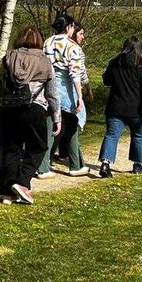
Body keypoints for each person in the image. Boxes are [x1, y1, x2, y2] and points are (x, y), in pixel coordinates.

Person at [0, 26, 60, 205]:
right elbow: (52, 94)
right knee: (38, 147)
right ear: (39, 41)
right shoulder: (45, 62)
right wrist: (56, 118)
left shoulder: (7, 58)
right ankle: (22, 182)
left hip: (8, 108)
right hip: (34, 109)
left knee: (9, 149)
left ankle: (6, 192)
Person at [98, 37, 142, 177]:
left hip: (116, 106)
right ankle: (138, 164)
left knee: (112, 134)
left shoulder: (115, 62)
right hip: (136, 108)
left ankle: (105, 163)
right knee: (138, 136)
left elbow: (106, 80)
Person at [38, 15, 74, 176]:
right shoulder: (70, 45)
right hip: (64, 87)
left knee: (49, 126)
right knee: (63, 126)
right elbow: (75, 71)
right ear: (68, 27)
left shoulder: (47, 42)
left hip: (47, 84)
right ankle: (47, 163)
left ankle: (45, 162)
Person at [54, 22, 90, 176]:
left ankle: (55, 157)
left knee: (59, 125)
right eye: (81, 33)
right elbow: (78, 73)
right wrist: (83, 92)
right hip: (68, 91)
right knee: (71, 125)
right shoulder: (73, 48)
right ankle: (75, 164)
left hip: (53, 91)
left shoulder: (50, 43)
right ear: (71, 30)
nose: (82, 37)